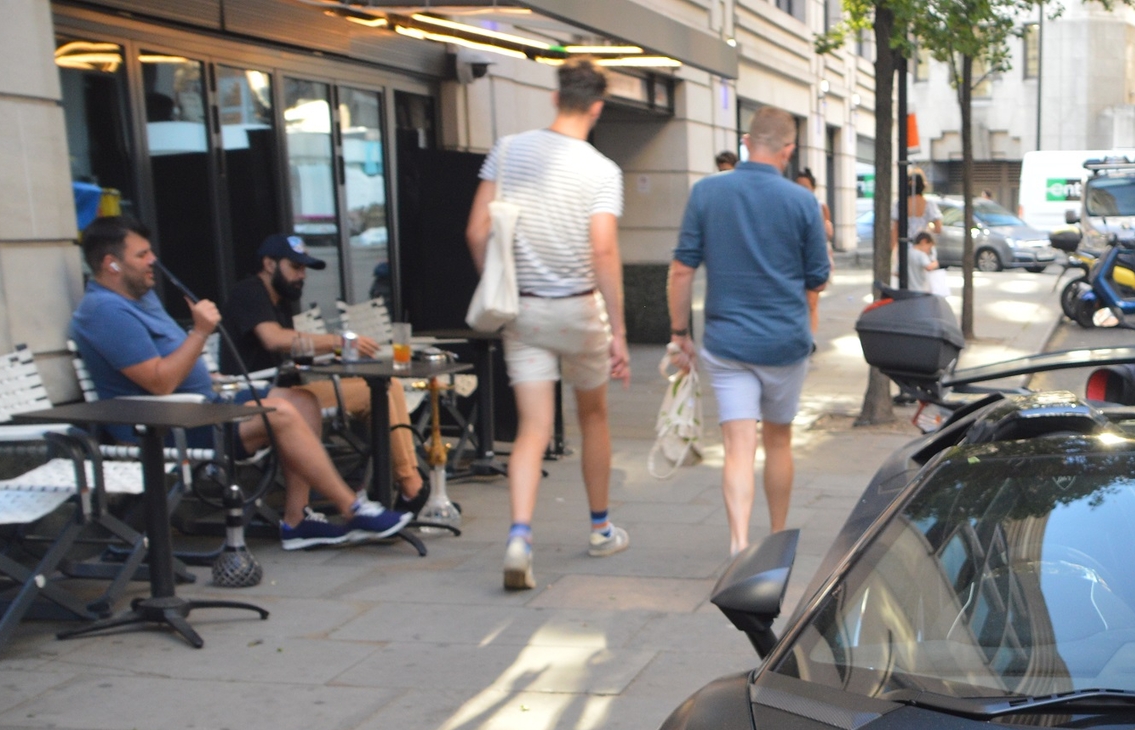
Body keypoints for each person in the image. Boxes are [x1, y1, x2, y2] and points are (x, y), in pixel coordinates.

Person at [68, 217, 410, 550]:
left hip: (203, 404)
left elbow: (174, 362)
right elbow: (159, 383)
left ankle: (297, 521)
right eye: (141, 255)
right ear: (111, 264)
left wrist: (208, 375)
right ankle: (353, 508)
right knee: (281, 411)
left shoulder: (141, 299)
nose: (152, 261)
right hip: (164, 426)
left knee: (303, 400)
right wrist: (200, 331)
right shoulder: (104, 311)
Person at [466, 56, 632, 592]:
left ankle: (519, 536)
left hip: (526, 310)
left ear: (555, 97)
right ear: (598, 107)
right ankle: (601, 529)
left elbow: (475, 232)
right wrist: (621, 333)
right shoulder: (602, 170)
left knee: (533, 428)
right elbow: (603, 250)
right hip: (580, 309)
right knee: (594, 417)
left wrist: (498, 281)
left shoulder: (508, 150)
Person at [668, 103, 831, 558]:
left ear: (746, 142)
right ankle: (776, 539)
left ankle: (739, 545)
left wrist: (679, 332)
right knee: (778, 441)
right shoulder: (802, 202)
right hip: (784, 342)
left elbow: (682, 270)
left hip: (726, 342)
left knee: (738, 446)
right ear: (789, 150)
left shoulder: (706, 193)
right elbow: (817, 277)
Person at [219, 233, 425, 510]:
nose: (301, 275)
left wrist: (331, 353)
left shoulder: (278, 300)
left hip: (286, 389)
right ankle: (410, 486)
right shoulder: (250, 291)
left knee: (388, 387)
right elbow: (275, 339)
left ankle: (408, 482)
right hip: (256, 397)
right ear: (269, 264)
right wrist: (338, 341)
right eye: (295, 267)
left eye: (304, 269)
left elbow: (289, 350)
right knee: (376, 391)